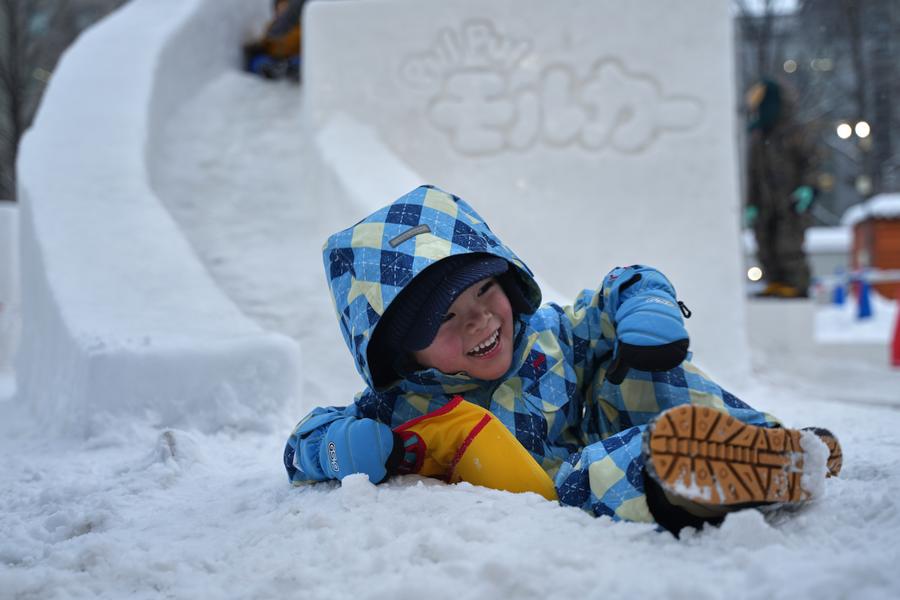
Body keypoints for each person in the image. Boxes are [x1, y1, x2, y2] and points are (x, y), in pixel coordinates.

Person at [284, 185, 842, 536]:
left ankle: (766, 443)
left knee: (644, 370)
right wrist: (340, 448)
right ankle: (688, 474)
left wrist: (647, 302)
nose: (479, 321)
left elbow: (617, 289)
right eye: (445, 321)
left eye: (484, 293)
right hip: (572, 480)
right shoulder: (405, 407)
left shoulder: (552, 333)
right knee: (589, 476)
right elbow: (305, 441)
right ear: (399, 350)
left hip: (616, 415)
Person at [745, 78, 820, 298]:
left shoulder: (794, 133)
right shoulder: (758, 137)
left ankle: (795, 283)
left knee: (788, 245)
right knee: (765, 244)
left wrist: (808, 188)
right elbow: (753, 175)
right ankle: (775, 281)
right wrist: (751, 204)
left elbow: (811, 163)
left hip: (791, 202)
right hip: (765, 205)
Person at [243, 0, 305, 81]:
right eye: (280, 8)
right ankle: (270, 70)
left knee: (299, 61)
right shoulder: (271, 27)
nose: (283, 10)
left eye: (286, 8)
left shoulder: (299, 27)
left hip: (292, 59)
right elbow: (266, 42)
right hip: (275, 59)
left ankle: (293, 71)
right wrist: (257, 45)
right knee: (258, 61)